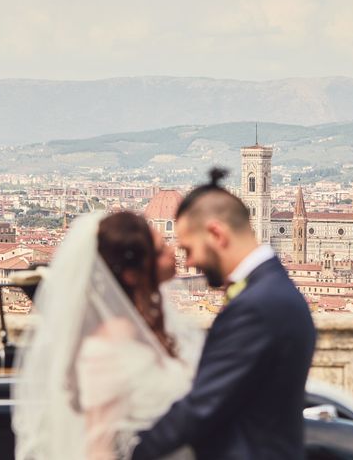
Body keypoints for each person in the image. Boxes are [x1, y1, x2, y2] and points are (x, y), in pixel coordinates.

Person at [131, 168, 317, 460]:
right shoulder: (273, 290)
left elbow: (203, 406)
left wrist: (132, 453)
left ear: (216, 233)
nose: (188, 261)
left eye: (189, 248)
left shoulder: (258, 306)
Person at [12, 211, 201, 460]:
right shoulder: (104, 352)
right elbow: (99, 449)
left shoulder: (147, 330)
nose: (171, 251)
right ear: (131, 275)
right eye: (159, 249)